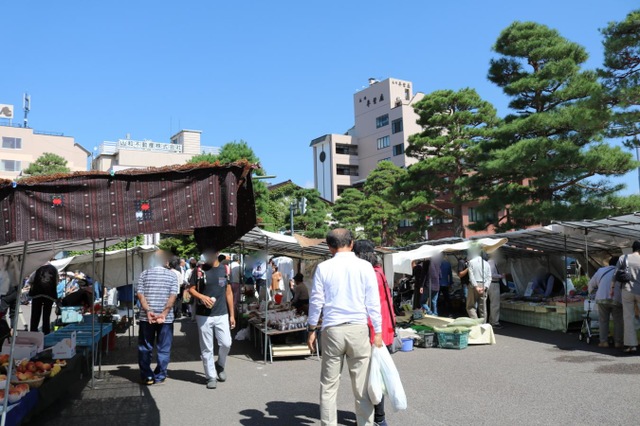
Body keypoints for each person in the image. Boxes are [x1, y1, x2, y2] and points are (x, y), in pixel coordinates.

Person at [307, 229, 383, 426]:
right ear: (352, 243)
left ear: (329, 247)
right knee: (362, 385)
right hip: (358, 328)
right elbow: (373, 303)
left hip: (332, 329)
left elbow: (316, 301)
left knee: (329, 385)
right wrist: (378, 331)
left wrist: (312, 329)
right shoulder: (365, 266)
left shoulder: (323, 268)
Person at [353, 240, 395, 426]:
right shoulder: (379, 271)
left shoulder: (370, 275)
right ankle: (377, 417)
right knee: (376, 375)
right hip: (384, 329)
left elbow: (371, 307)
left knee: (372, 377)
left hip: (374, 331)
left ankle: (378, 418)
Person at [189, 249, 236, 389]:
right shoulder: (199, 270)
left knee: (226, 343)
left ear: (217, 253)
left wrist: (232, 315)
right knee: (207, 348)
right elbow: (191, 289)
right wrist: (202, 297)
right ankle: (210, 376)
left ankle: (220, 364)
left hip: (222, 313)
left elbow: (228, 292)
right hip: (203, 315)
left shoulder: (225, 269)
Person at [137, 250, 179, 385]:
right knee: (164, 348)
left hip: (146, 317)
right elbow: (173, 296)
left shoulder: (144, 274)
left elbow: (140, 295)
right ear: (165, 261)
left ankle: (147, 376)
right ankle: (160, 375)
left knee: (145, 346)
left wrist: (148, 310)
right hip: (166, 318)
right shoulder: (172, 276)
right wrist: (164, 313)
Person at [589, 257, 622, 348]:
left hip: (602, 298)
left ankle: (603, 342)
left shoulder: (601, 270)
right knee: (618, 321)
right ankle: (618, 342)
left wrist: (590, 294)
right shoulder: (621, 271)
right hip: (617, 299)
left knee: (603, 321)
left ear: (609, 263)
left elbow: (591, 284)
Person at [615, 241, 640, 353]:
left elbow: (615, 274)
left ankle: (631, 345)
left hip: (627, 290)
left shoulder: (623, 258)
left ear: (632, 249)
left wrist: (611, 288)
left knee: (628, 318)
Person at [29, 263, 59, 335]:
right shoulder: (54, 269)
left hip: (37, 294)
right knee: (46, 315)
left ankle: (33, 331)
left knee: (35, 314)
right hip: (49, 294)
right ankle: (46, 331)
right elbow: (56, 281)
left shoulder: (37, 267)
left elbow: (31, 280)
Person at [466, 246, 490, 322]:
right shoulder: (487, 263)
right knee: (483, 308)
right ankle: (483, 323)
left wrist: (476, 286)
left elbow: (471, 276)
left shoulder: (471, 262)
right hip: (483, 285)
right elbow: (489, 277)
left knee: (470, 306)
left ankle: (476, 322)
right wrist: (485, 287)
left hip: (474, 285)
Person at [487, 251, 504, 329]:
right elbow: (491, 274)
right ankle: (494, 322)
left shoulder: (490, 262)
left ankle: (492, 320)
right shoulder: (491, 263)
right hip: (493, 284)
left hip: (492, 284)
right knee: (495, 304)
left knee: (492, 304)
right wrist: (500, 276)